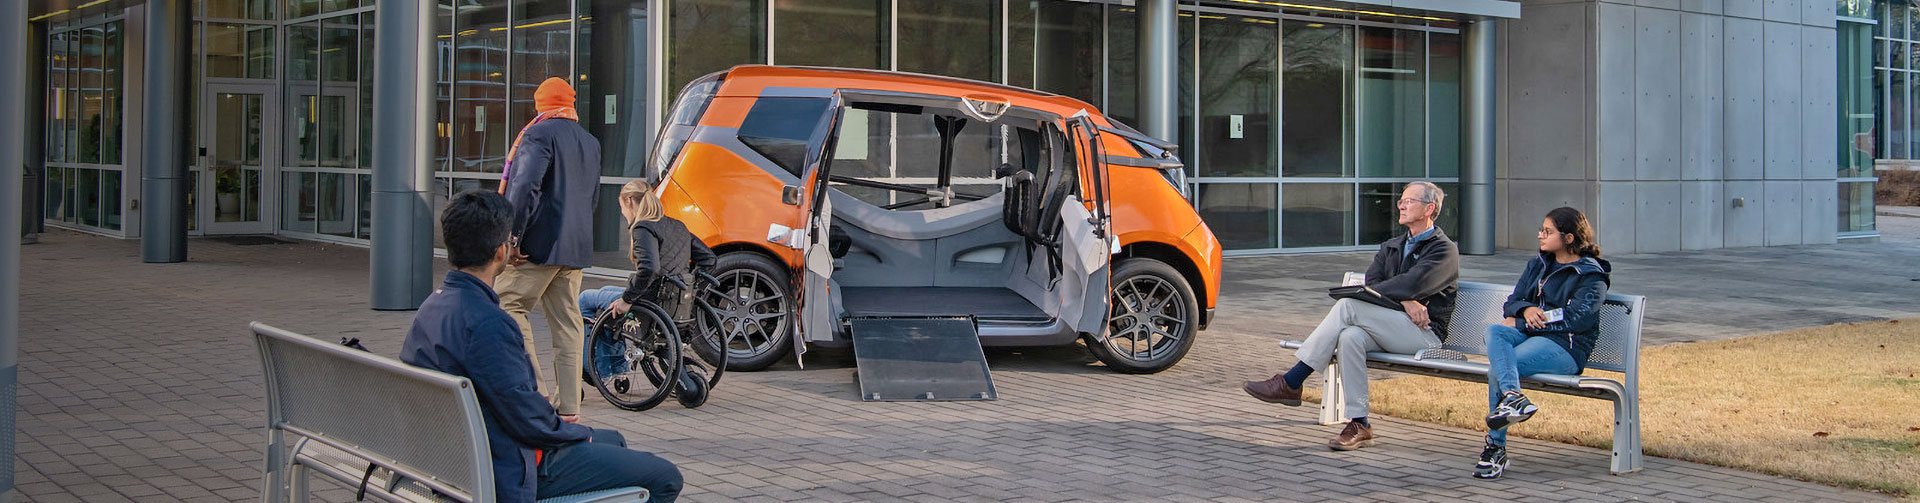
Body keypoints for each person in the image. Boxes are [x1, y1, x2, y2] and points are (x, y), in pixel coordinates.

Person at [400, 190, 682, 503]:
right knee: (665, 477)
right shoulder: (488, 322)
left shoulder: (433, 307)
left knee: (613, 440)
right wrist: (574, 432)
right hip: (506, 465)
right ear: (500, 253)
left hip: (456, 454)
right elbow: (528, 419)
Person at [1242, 181, 1459, 451]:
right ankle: (1360, 422)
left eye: (1409, 201)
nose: (1400, 205)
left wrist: (1405, 293)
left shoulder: (1444, 250)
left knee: (1348, 306)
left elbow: (1412, 283)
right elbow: (1374, 282)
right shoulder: (1391, 246)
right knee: (1350, 336)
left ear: (1429, 209)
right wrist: (1405, 300)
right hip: (1392, 327)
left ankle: (1292, 380)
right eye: (1401, 200)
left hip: (1425, 336)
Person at [1473, 206, 1611, 479]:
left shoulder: (1591, 275)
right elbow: (1511, 302)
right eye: (1541, 229)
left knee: (1498, 369)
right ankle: (1513, 398)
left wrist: (1526, 321)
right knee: (1496, 332)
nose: (1540, 235)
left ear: (1569, 238)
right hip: (1534, 335)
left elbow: (1578, 318)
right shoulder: (1538, 264)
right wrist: (1525, 310)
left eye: (1547, 231)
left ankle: (1495, 448)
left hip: (1565, 346)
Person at [497, 77, 601, 422]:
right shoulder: (589, 141)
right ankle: (569, 408)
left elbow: (524, 186)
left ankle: (536, 395)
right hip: (574, 249)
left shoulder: (538, 134)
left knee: (508, 306)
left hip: (536, 248)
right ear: (570, 104)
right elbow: (591, 198)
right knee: (568, 324)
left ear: (539, 105)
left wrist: (512, 237)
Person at [577, 180, 717, 381]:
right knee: (606, 291)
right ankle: (615, 364)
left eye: (622, 208)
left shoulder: (643, 227)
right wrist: (691, 288)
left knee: (585, 299)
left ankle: (595, 368)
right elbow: (709, 259)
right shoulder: (677, 225)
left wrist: (627, 300)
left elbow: (649, 269)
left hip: (651, 301)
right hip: (672, 302)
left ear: (630, 201)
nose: (623, 214)